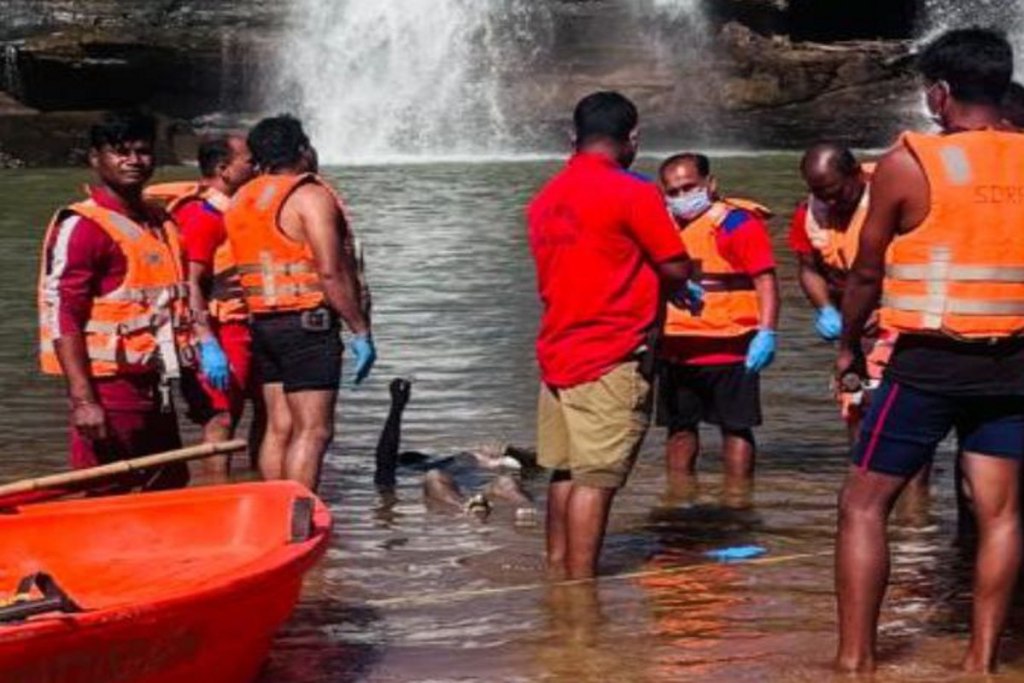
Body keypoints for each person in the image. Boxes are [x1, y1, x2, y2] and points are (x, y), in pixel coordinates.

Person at [836, 28, 1024, 674]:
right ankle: (980, 660)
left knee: (863, 504)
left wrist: (847, 345)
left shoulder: (909, 162)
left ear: (939, 95)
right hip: (1015, 365)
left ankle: (856, 658)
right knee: (1000, 514)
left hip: (926, 363)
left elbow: (864, 270)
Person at [528, 91, 700, 580]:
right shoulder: (633, 192)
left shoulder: (546, 198)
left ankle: (558, 576)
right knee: (597, 479)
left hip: (557, 350)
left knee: (564, 471)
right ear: (633, 138)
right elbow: (673, 262)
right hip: (611, 352)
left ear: (572, 137)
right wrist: (678, 285)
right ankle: (582, 594)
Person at [38, 111, 210, 491]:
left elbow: (174, 312)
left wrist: (192, 384)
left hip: (158, 385)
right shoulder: (84, 227)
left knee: (167, 486)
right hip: (110, 388)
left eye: (143, 151)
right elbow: (62, 314)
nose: (134, 160)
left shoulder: (161, 222)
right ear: (95, 159)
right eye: (121, 152)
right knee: (107, 490)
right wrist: (84, 400)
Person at [224, 115, 375, 491]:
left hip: (263, 323)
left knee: (280, 426)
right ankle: (299, 515)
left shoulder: (244, 198)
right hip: (307, 324)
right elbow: (330, 271)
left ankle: (273, 509)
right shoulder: (309, 195)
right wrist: (359, 329)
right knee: (314, 430)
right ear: (303, 149)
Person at [656, 153, 779, 490]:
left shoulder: (736, 224)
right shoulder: (659, 225)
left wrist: (767, 331)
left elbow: (765, 280)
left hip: (730, 345)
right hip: (676, 346)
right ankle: (678, 497)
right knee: (679, 428)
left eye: (689, 187)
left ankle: (738, 499)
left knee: (736, 427)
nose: (682, 197)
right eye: (673, 191)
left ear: (710, 184)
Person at [146, 135, 261, 477]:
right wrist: (207, 341)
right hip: (219, 328)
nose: (255, 166)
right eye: (248, 161)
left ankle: (258, 484)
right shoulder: (202, 214)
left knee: (257, 410)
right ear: (223, 169)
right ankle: (217, 490)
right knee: (221, 417)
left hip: (241, 324)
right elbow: (190, 282)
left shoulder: (231, 208)